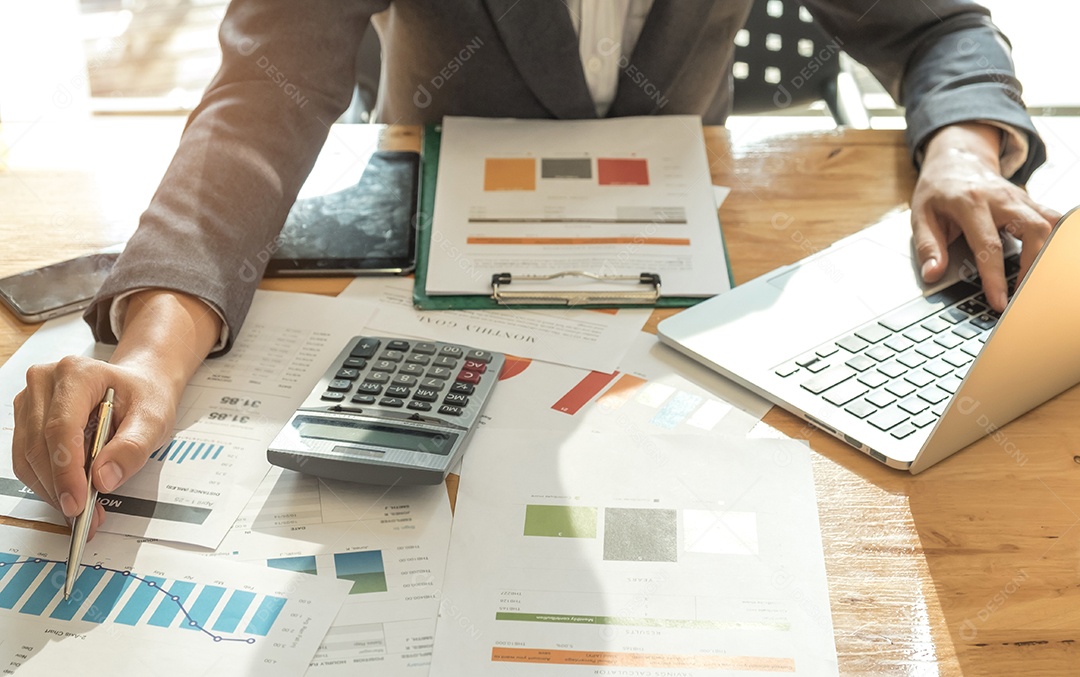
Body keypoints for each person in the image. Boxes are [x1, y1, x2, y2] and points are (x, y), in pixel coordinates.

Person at [11, 0, 1060, 536]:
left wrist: (963, 150)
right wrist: (152, 352)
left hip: (694, 288)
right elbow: (263, 97)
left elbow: (939, 28)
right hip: (428, 281)